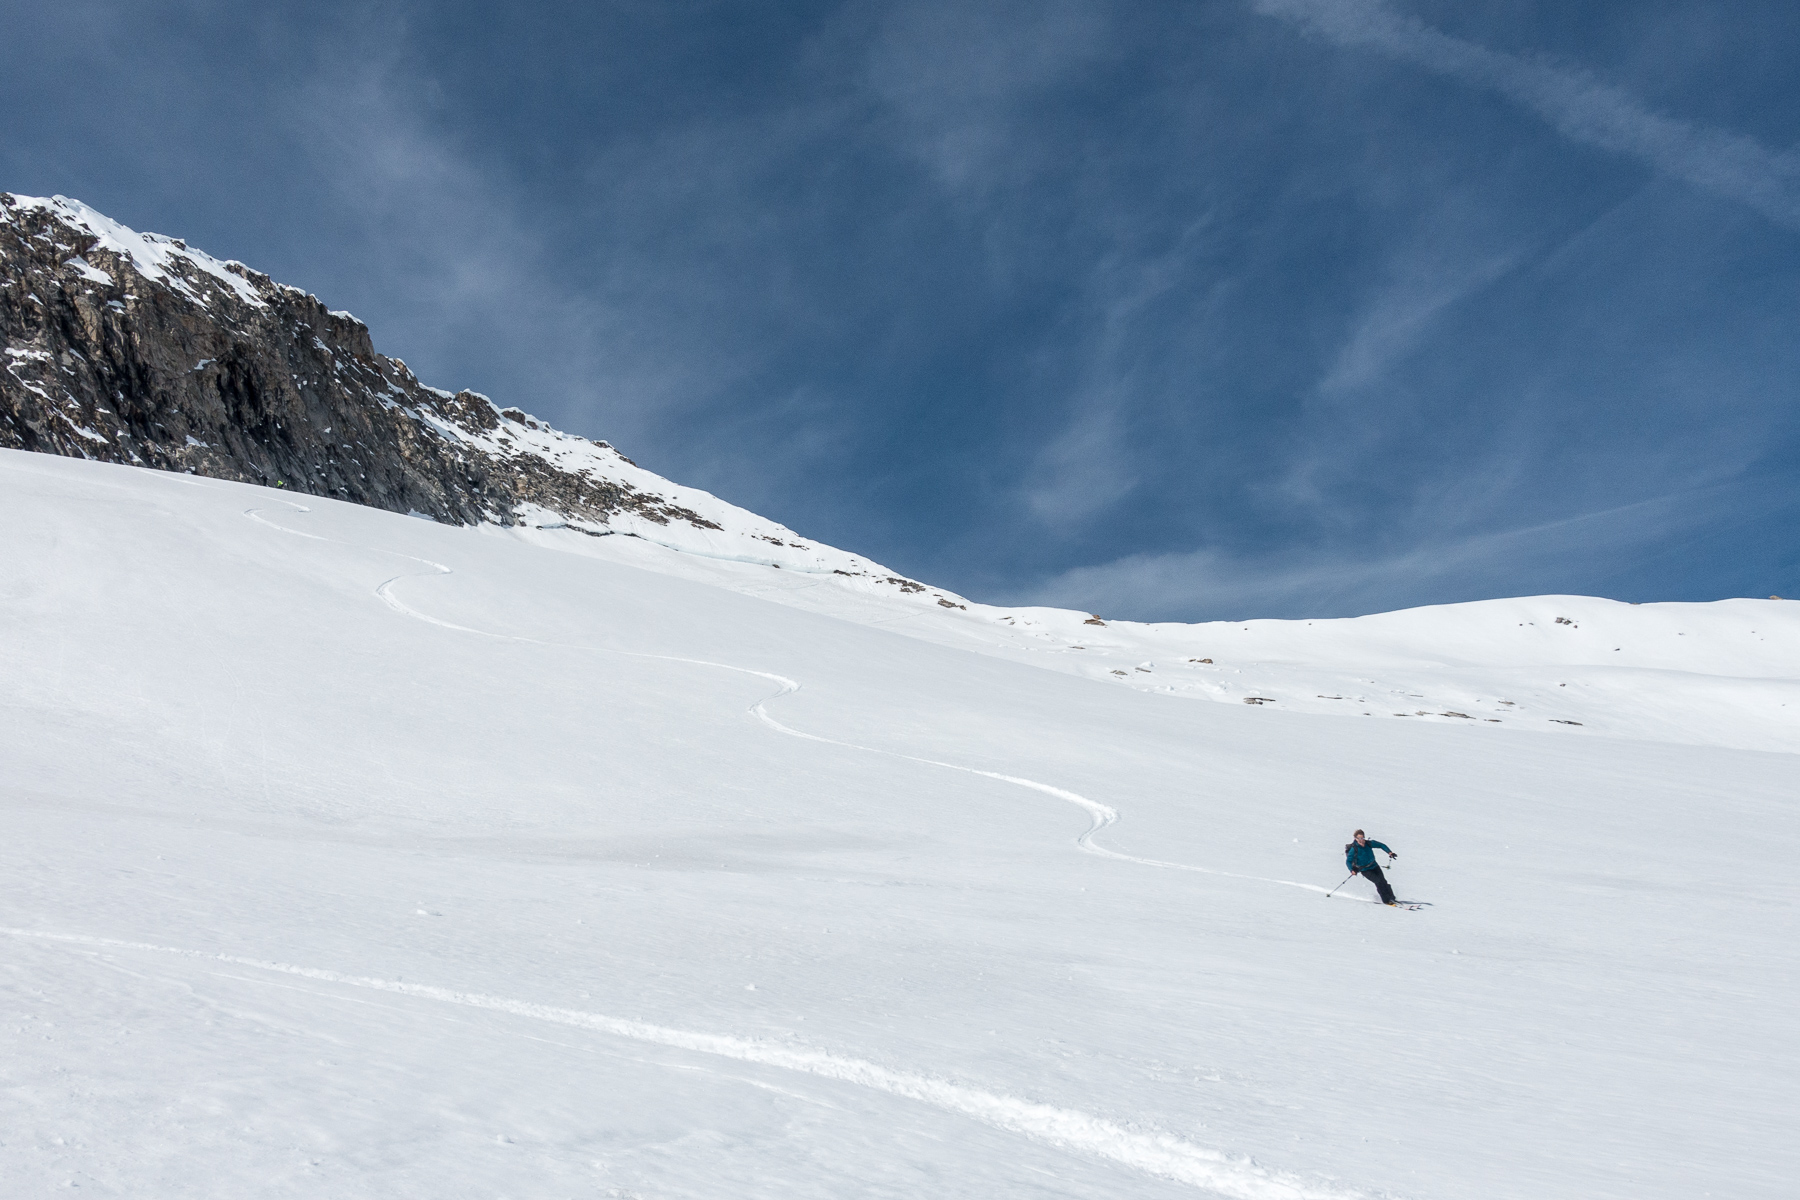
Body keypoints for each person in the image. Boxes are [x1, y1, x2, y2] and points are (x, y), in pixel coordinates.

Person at [1344, 829, 1398, 905]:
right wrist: (1351, 870)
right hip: (1365, 870)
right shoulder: (1354, 849)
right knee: (1378, 881)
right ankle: (1386, 900)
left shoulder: (1369, 844)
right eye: (1359, 838)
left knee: (1383, 881)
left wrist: (1390, 852)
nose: (1361, 840)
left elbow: (1381, 845)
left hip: (1374, 866)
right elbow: (1348, 861)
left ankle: (1392, 898)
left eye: (1362, 838)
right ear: (1355, 838)